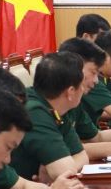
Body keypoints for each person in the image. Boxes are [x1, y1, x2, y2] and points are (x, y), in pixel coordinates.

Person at [8, 52, 91, 180]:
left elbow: (82, 156)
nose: (83, 90)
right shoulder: (34, 112)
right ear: (70, 92)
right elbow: (64, 171)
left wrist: (59, 169)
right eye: (82, 84)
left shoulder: (57, 108)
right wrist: (63, 169)